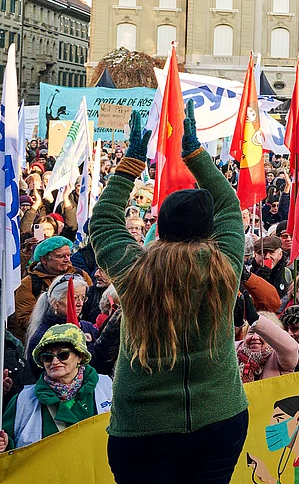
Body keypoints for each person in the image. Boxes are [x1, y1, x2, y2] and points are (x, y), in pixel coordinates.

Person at [91, 105, 248, 484]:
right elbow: (230, 205)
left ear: (159, 228)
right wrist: (194, 154)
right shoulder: (226, 265)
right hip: (218, 420)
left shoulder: (134, 271)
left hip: (142, 430)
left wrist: (131, 161)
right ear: (210, 229)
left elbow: (104, 220)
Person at [1, 324, 114, 450]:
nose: (54, 362)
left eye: (63, 355)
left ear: (80, 356)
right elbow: (8, 444)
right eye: (47, 357)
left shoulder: (107, 388)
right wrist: (5, 444)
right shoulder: (22, 400)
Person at [10, 234, 93, 343]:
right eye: (60, 256)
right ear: (44, 259)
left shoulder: (81, 275)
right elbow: (24, 319)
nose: (67, 260)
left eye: (68, 255)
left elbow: (92, 303)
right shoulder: (29, 283)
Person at [236, 313, 299, 383]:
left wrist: (256, 320)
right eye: (251, 332)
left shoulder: (280, 358)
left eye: (262, 334)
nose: (255, 337)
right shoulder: (236, 350)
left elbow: (291, 349)